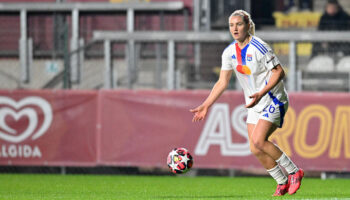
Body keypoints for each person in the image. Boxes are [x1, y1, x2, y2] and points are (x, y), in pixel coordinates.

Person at [190, 10, 304, 196]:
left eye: (239, 24)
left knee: (259, 140)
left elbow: (279, 72)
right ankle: (281, 181)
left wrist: (261, 92)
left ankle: (294, 172)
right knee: (254, 147)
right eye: (231, 25)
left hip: (273, 99)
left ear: (248, 26)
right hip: (255, 103)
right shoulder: (229, 53)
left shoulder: (259, 47)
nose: (235, 29)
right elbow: (222, 82)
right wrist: (206, 104)